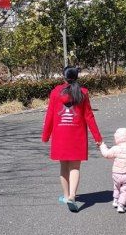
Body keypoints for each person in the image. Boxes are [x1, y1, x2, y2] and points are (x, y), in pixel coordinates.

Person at [42, 66, 102, 212]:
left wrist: (45, 135)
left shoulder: (56, 92)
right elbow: (89, 116)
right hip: (77, 136)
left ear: (64, 77)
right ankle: (72, 196)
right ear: (77, 77)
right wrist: (98, 137)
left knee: (63, 167)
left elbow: (50, 115)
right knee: (75, 167)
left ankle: (65, 195)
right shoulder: (83, 93)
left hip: (60, 136)